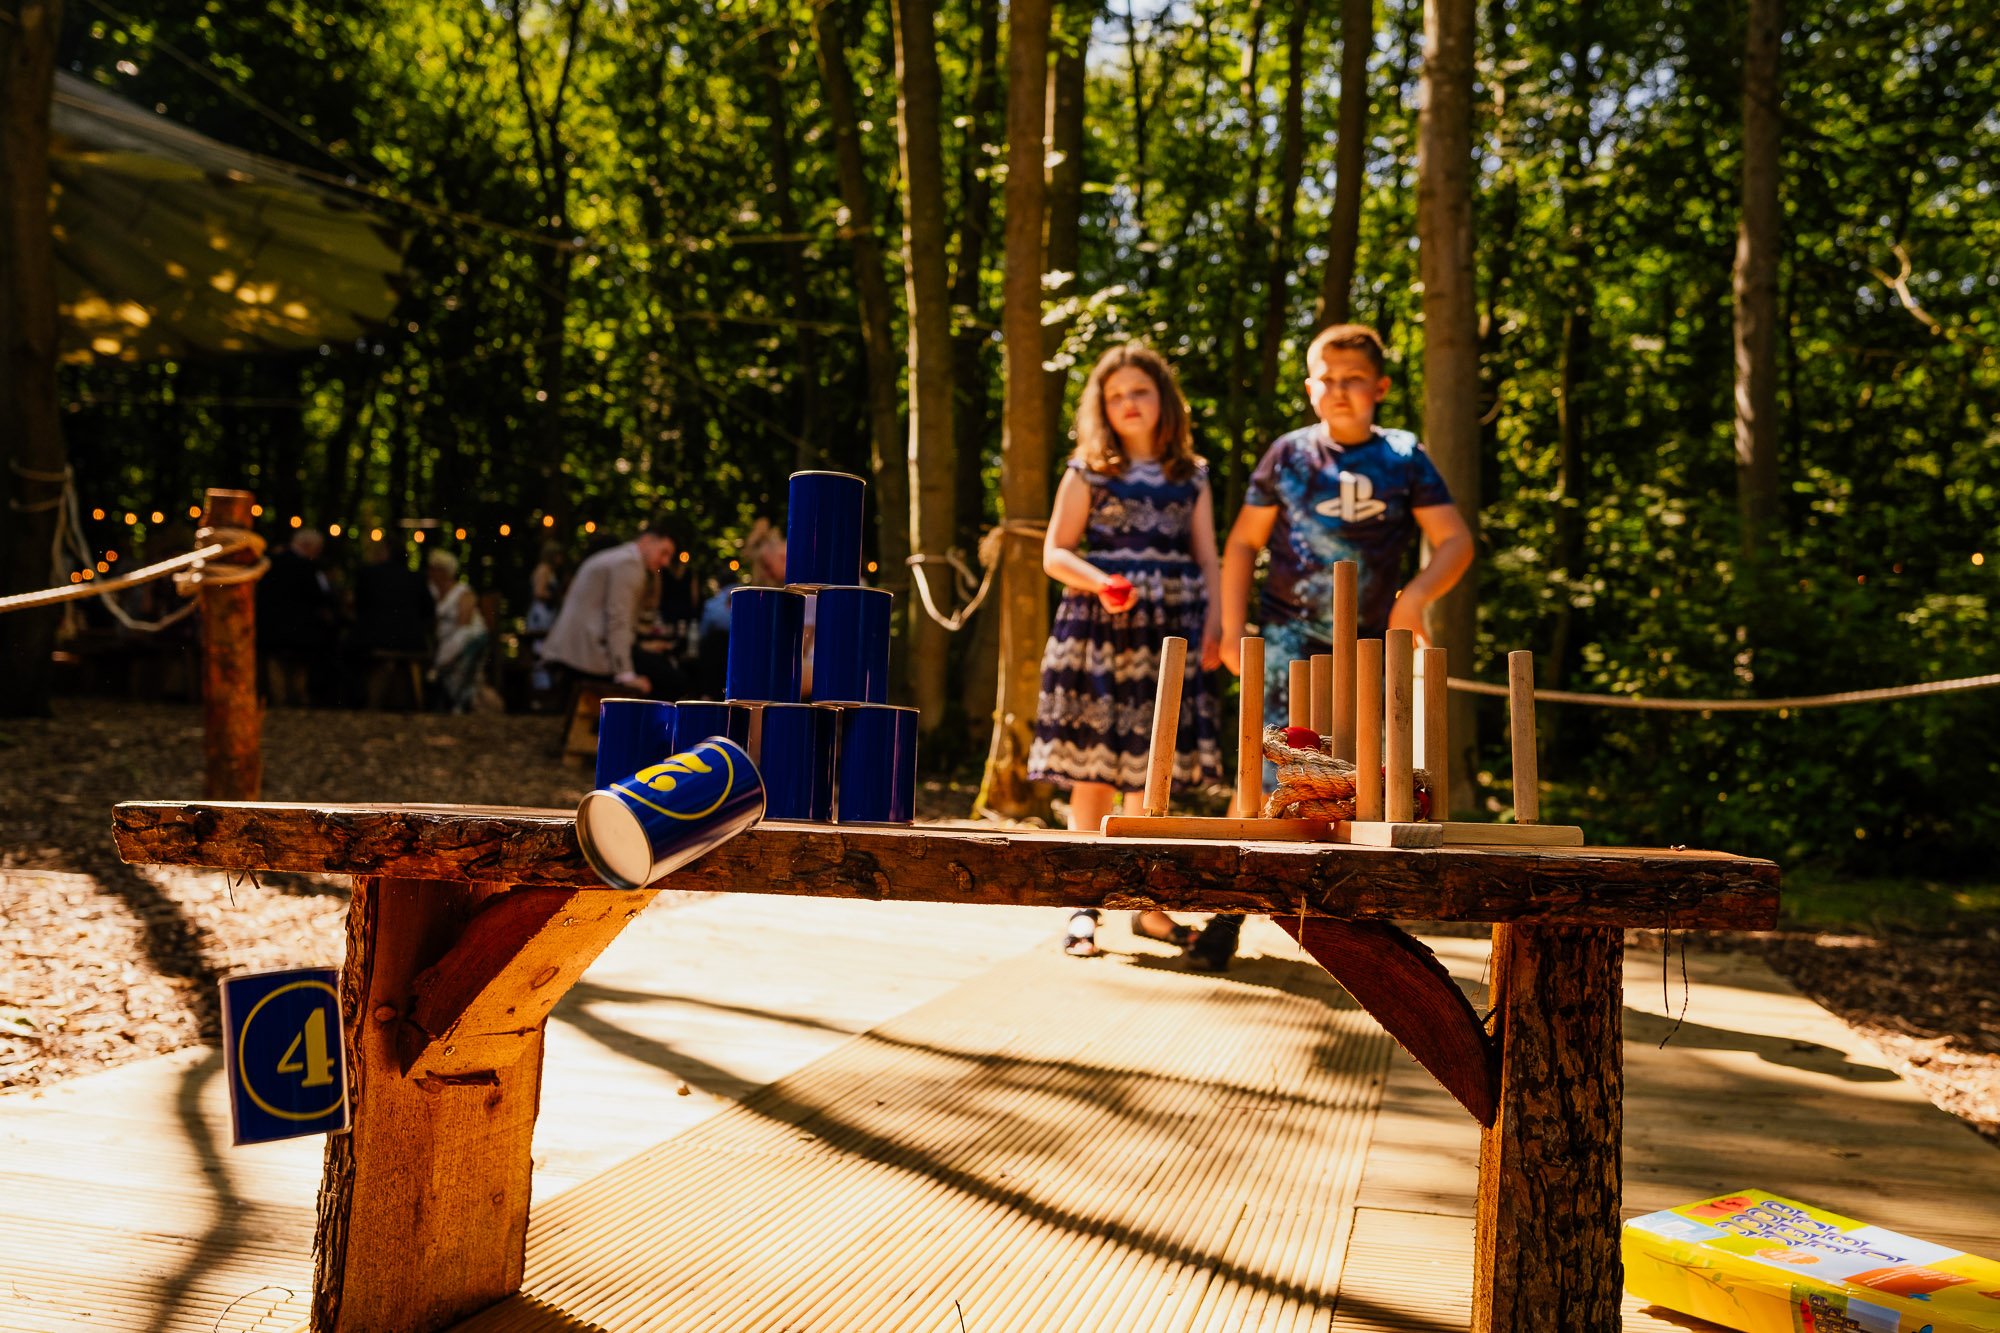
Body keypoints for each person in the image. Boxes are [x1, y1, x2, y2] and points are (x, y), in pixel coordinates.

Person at [1208, 322, 1474, 969]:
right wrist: (1234, 627)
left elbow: (1455, 541)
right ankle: (1226, 912)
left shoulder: (1404, 455)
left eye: (1354, 378)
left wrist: (1414, 601)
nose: (1339, 390)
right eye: (1326, 378)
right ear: (1308, 386)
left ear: (1380, 387)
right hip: (1288, 638)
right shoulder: (1288, 455)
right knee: (1269, 771)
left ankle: (1366, 927)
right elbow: (1243, 543)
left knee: (1369, 781)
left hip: (1370, 644)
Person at [1025, 342, 1223, 960]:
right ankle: (1084, 904)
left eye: (1139, 391)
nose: (1127, 404)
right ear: (1100, 408)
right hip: (1099, 627)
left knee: (1150, 768)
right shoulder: (1087, 470)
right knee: (1094, 765)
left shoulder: (1190, 474)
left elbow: (1208, 555)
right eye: (1115, 395)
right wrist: (1098, 582)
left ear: (1164, 399)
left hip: (1172, 629)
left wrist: (1217, 623)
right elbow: (1055, 552)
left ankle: (1148, 908)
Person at [537, 516, 680, 697]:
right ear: (646, 541)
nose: (666, 562)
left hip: (574, 648)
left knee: (661, 670)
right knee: (672, 681)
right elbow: (618, 620)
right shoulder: (629, 564)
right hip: (584, 653)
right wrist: (625, 674)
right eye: (664, 553)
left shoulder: (621, 558)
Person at [256, 527, 339, 707]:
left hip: (273, 628)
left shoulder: (270, 562)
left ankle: (280, 700)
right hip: (299, 630)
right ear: (309, 546)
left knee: (277, 666)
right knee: (297, 667)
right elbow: (319, 597)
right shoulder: (307, 567)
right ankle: (296, 700)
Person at [426, 549, 488, 713]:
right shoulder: (431, 591)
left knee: (461, 645)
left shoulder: (463, 591)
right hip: (446, 642)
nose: (431, 572)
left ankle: (459, 702)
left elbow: (464, 623)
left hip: (466, 639)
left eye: (435, 568)